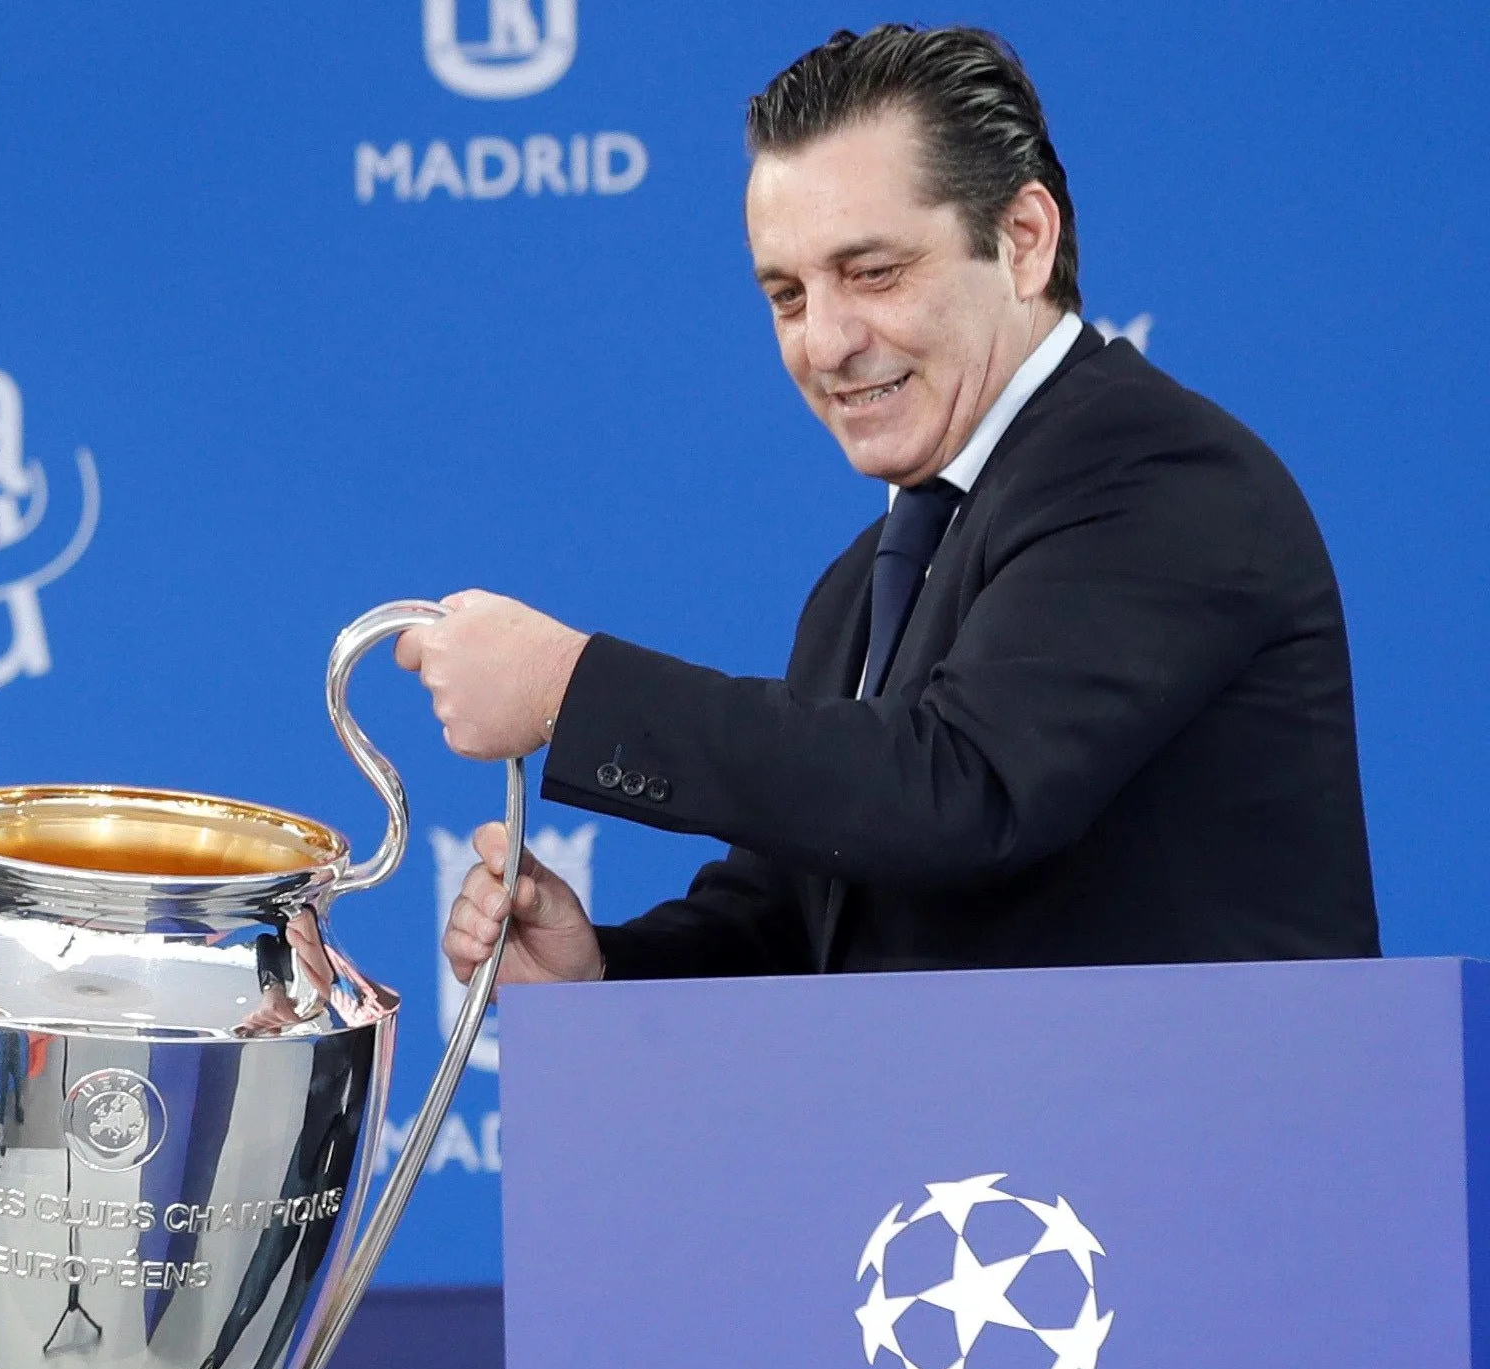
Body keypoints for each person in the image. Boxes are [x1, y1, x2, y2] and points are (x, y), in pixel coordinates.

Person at [404, 25, 1378, 984]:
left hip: (1183, 1140)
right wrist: (606, 972)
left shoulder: (1160, 478)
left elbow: (963, 790)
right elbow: (799, 923)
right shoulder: (866, 585)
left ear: (1024, 242)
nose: (825, 342)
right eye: (787, 295)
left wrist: (567, 688)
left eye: (874, 273)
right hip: (962, 1142)